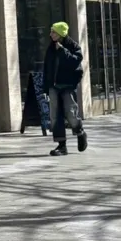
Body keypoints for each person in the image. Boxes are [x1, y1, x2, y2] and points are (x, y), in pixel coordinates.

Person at [43, 21, 86, 156]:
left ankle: (80, 133)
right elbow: (47, 68)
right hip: (54, 87)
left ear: (60, 33)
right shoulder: (51, 48)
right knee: (55, 116)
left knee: (71, 113)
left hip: (67, 86)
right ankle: (61, 145)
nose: (51, 34)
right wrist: (46, 87)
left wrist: (62, 51)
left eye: (53, 32)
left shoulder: (72, 46)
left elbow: (75, 62)